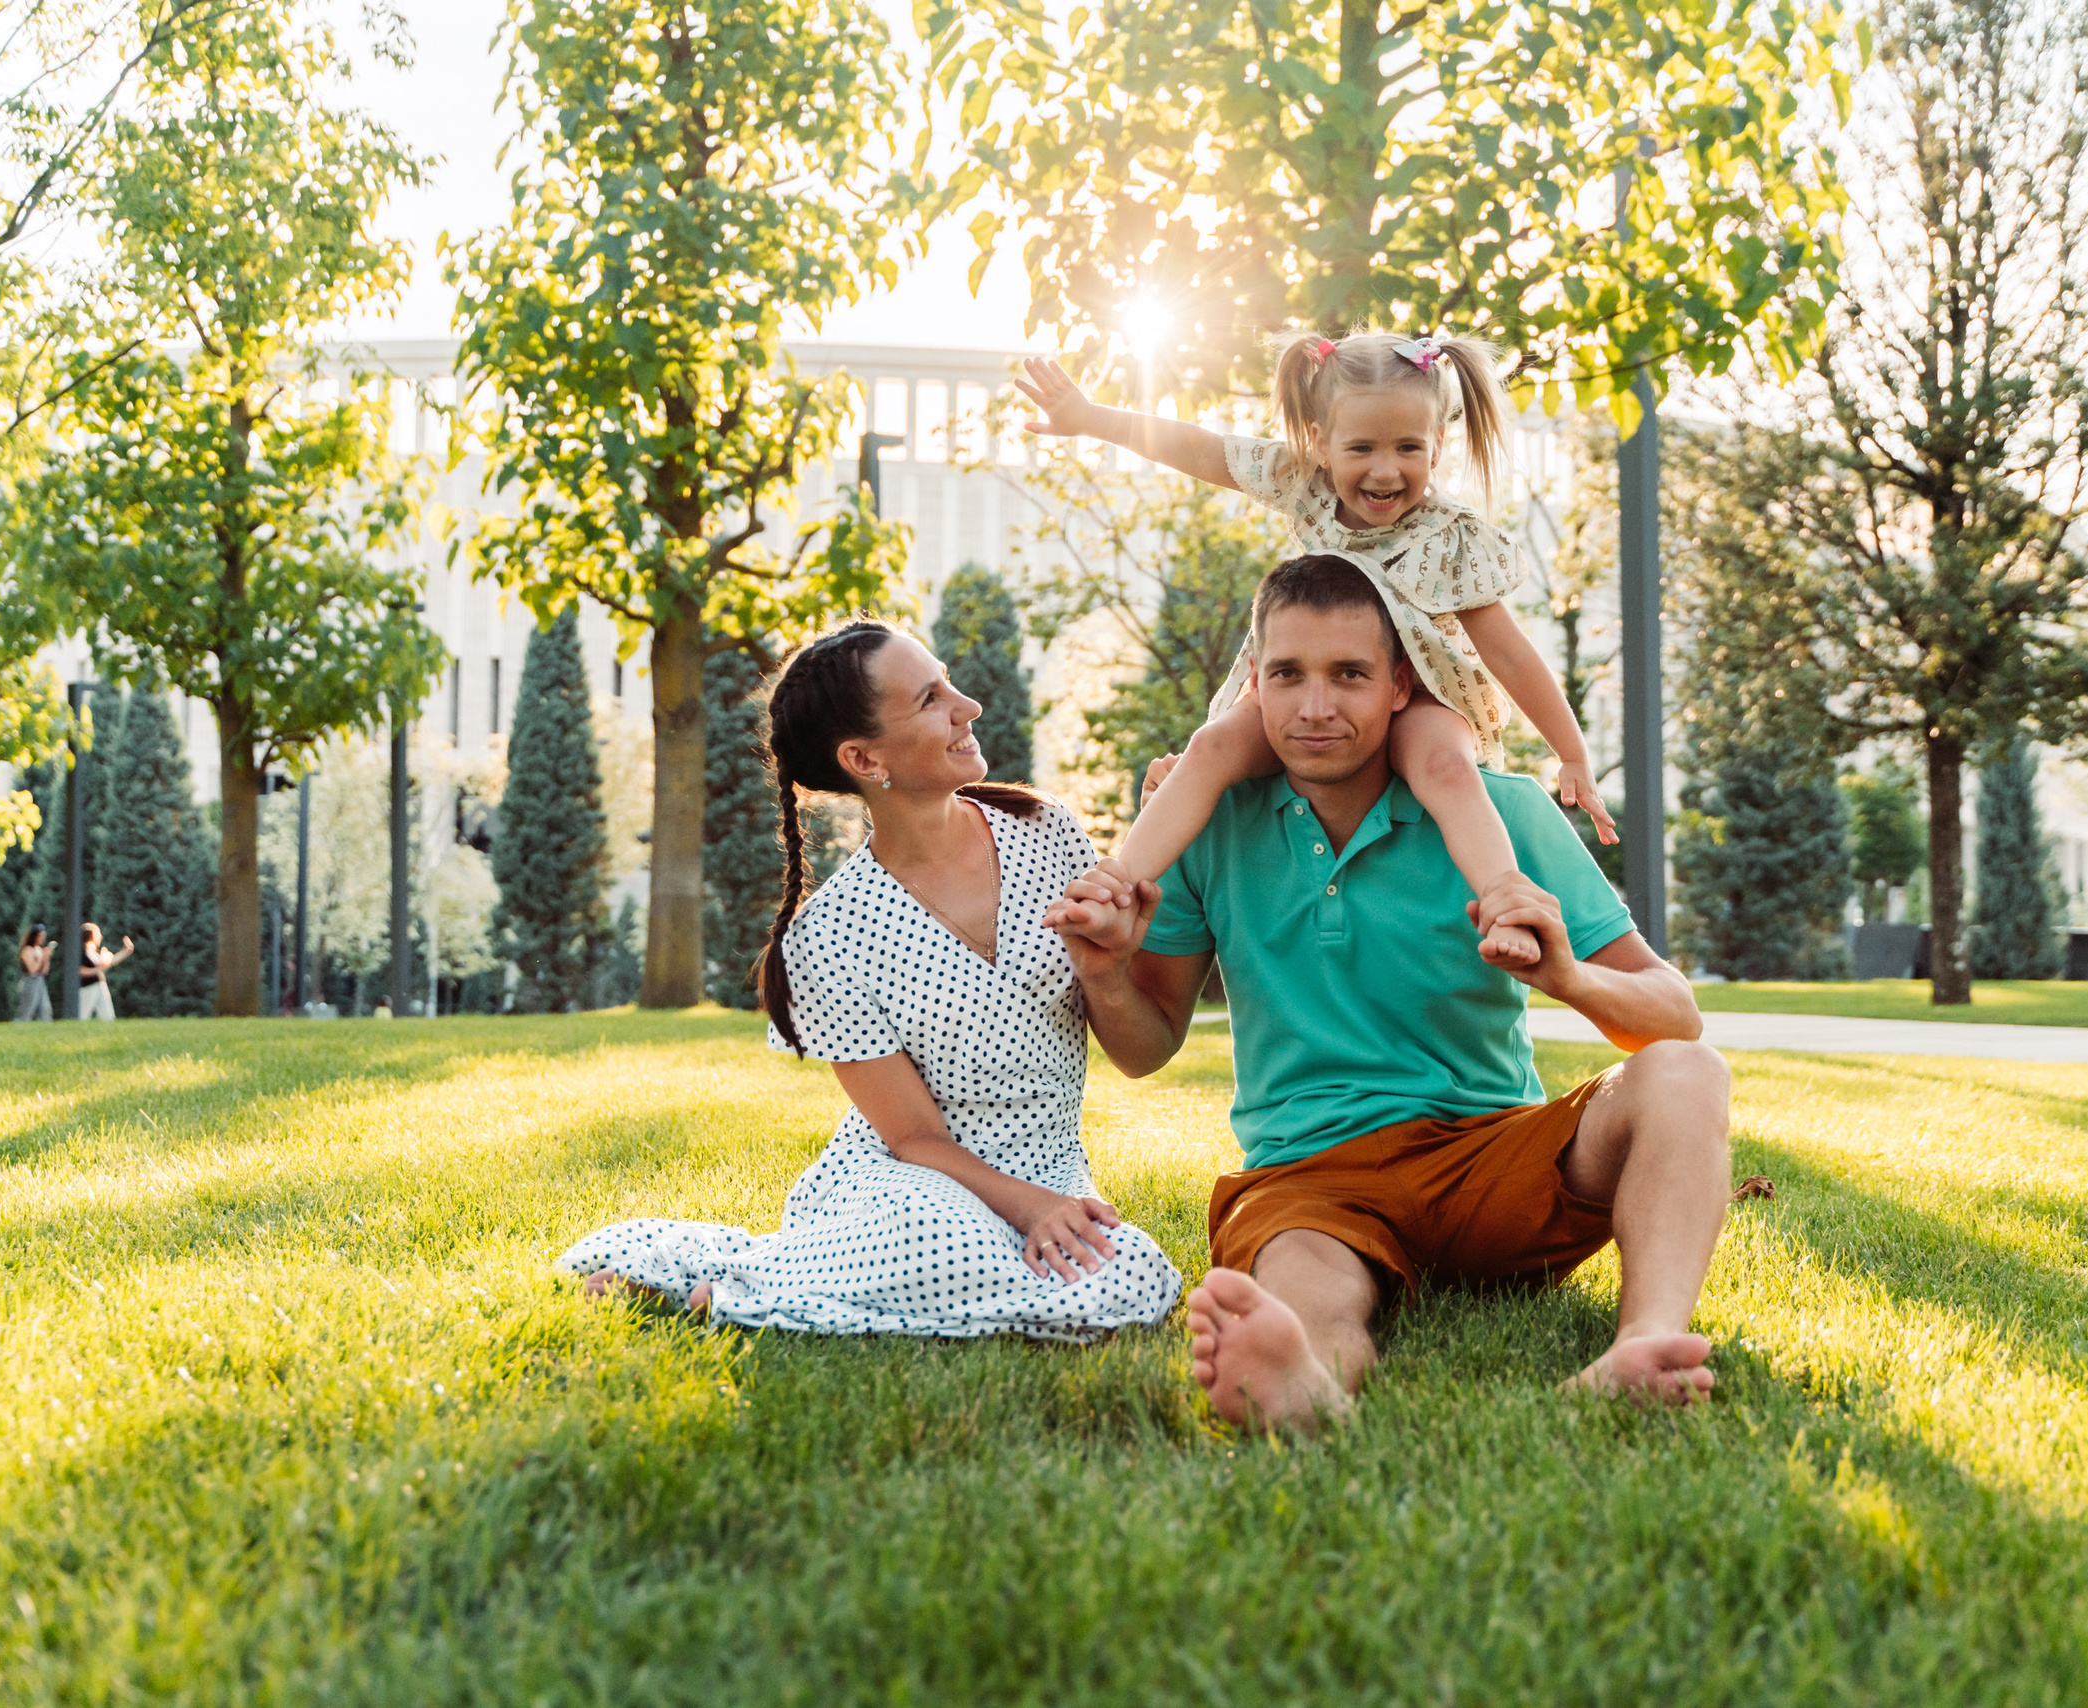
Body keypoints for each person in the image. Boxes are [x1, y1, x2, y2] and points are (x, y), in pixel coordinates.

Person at [1047, 555, 1734, 1432]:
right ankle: (1304, 1383)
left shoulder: (1505, 816)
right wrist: (1104, 967)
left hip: (1492, 1155)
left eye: (1349, 676)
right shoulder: (1205, 823)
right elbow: (1146, 1050)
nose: (1315, 707)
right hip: (1313, 1176)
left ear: (1400, 686)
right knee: (1306, 1287)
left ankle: (1643, 1346)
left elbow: (1674, 1016)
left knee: (1687, 1071)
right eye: (1288, 675)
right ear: (1254, 682)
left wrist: (1567, 978)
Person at [557, 620, 1183, 1341]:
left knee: (1133, 1273)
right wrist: (1027, 1209)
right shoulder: (825, 939)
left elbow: (1138, 1055)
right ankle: (741, 1290)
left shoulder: (1045, 831)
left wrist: (1105, 977)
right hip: (910, 1190)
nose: (968, 705)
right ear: (862, 757)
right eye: (930, 699)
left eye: (948, 683)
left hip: (1049, 1170)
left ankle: (766, 1274)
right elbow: (913, 1137)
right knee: (949, 1242)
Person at [1017, 332, 1615, 969]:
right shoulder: (1303, 485)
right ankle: (1118, 879)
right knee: (1210, 748)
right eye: (1361, 448)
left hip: (1425, 694)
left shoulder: (1449, 540)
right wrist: (1090, 420)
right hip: (1313, 682)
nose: (1386, 471)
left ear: (1437, 445)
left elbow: (1513, 657)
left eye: (1408, 448)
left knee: (1445, 768)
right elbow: (1200, 448)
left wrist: (1571, 752)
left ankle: (1504, 896)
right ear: (1320, 442)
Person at [75, 923, 133, 1021]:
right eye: (98, 933)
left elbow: (109, 963)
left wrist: (125, 952)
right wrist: (99, 969)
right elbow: (81, 970)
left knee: (108, 1016)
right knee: (82, 1016)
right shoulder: (81, 953)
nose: (100, 936)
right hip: (88, 988)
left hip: (100, 986)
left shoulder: (94, 952)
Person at [14, 927, 56, 1021]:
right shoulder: (27, 950)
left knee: (45, 1008)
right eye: (40, 936)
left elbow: (44, 971)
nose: (42, 939)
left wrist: (46, 958)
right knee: (27, 1009)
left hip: (40, 981)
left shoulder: (39, 949)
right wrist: (41, 957)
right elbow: (32, 970)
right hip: (29, 981)